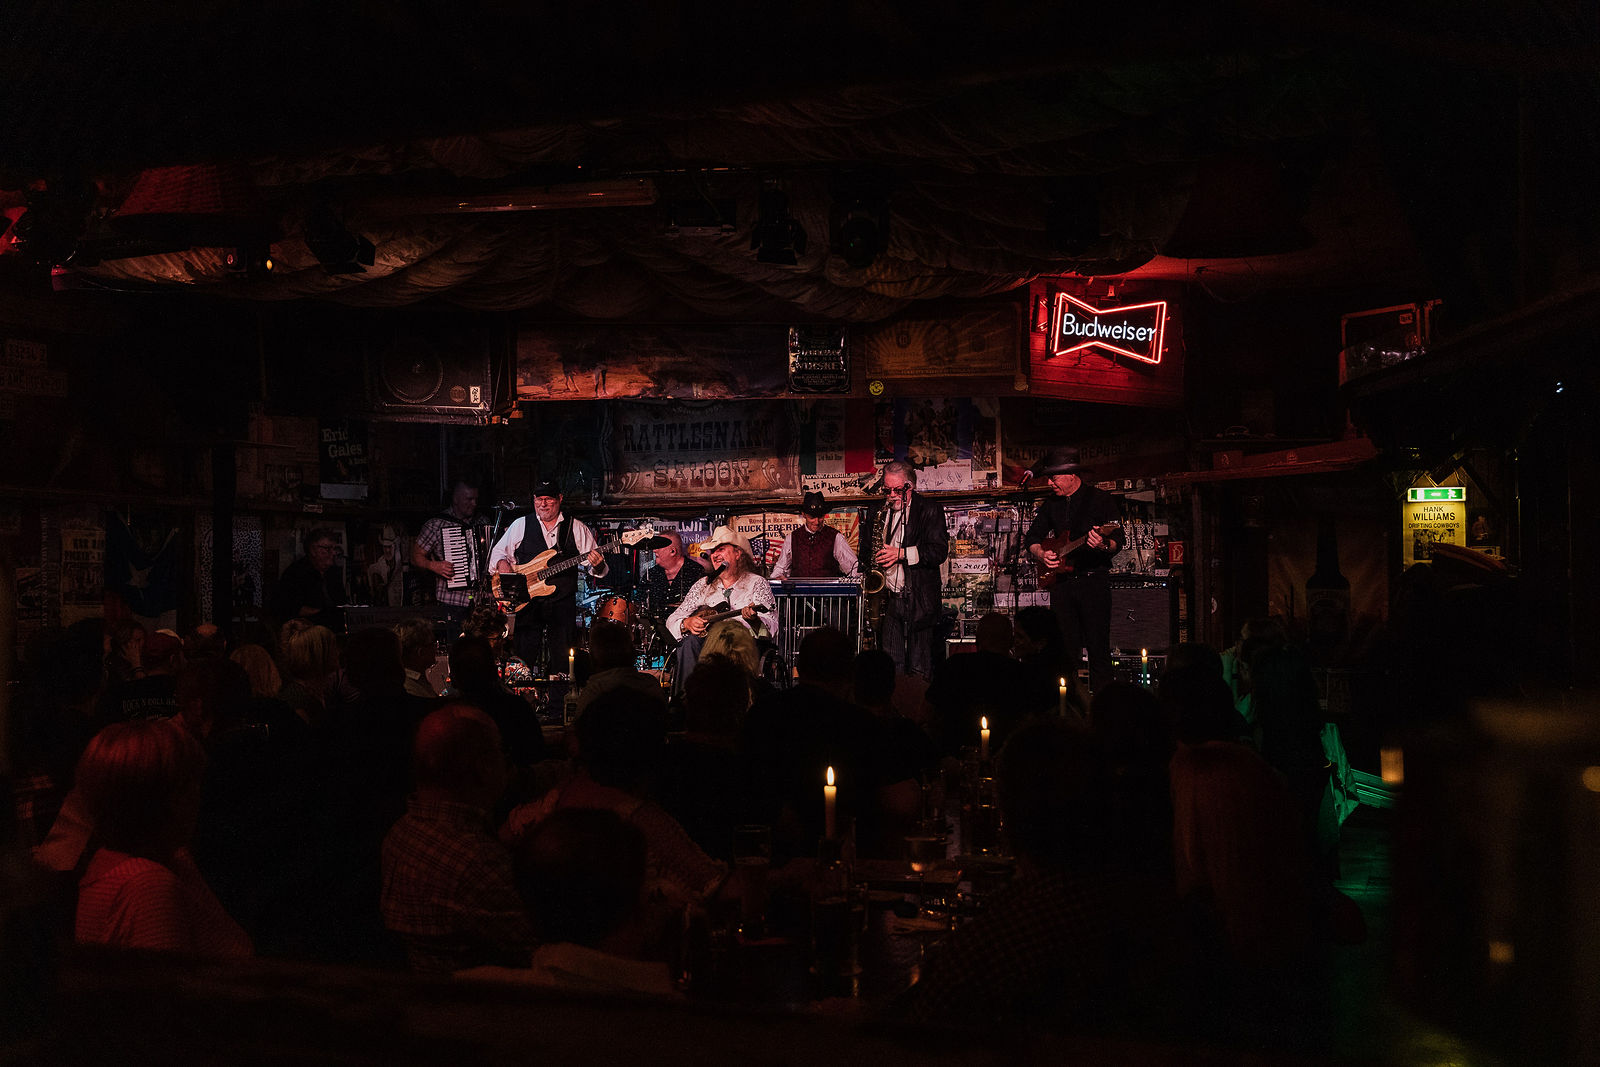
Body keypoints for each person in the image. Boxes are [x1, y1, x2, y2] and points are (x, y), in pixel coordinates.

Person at [72, 718, 254, 959]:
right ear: (161, 800)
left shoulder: (123, 862)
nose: (198, 796)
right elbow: (170, 983)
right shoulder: (147, 884)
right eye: (189, 784)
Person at [380, 704, 535, 973]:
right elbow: (544, 953)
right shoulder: (479, 862)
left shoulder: (402, 831)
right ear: (482, 768)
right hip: (485, 996)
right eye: (502, 752)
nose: (508, 763)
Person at [1024, 448, 1124, 695]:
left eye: (1054, 478)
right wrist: (1042, 554)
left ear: (1071, 475)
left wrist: (1102, 544)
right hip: (1063, 584)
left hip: (1093, 583)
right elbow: (1032, 538)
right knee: (1065, 650)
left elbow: (1118, 542)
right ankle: (1067, 703)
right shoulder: (1051, 504)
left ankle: (1102, 704)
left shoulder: (1100, 499)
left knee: (1098, 648)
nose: (1050, 483)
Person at [489, 481, 608, 674]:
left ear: (559, 499)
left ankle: (558, 694)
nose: (543, 504)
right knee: (522, 658)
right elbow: (497, 554)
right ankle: (521, 691)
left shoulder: (575, 527)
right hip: (528, 603)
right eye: (539, 499)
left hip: (562, 604)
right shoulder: (521, 524)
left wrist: (598, 564)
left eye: (548, 499)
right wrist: (503, 565)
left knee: (562, 661)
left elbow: (598, 568)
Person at [665, 526, 778, 693]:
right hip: (706, 646)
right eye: (713, 551)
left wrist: (754, 620)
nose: (715, 555)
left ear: (737, 553)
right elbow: (672, 620)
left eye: (721, 549)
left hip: (741, 646)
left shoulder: (756, 583)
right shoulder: (703, 585)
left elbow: (771, 625)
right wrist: (686, 623)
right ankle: (686, 698)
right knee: (689, 644)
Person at [869, 460, 949, 678]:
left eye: (897, 490)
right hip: (889, 598)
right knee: (891, 665)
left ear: (910, 487)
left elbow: (938, 552)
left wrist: (902, 554)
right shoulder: (880, 510)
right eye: (887, 490)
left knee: (919, 668)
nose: (891, 495)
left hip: (919, 599)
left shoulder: (929, 509)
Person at [411, 477, 491, 620]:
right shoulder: (436, 524)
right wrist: (433, 565)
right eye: (469, 499)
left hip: (481, 600)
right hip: (452, 601)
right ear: (455, 499)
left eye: (476, 499)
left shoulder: (483, 522)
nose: (474, 504)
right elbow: (415, 556)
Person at [271, 528, 349, 633]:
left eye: (334, 548)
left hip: (334, 630)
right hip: (306, 632)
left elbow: (341, 602)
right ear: (313, 550)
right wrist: (323, 612)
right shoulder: (296, 573)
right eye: (328, 548)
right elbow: (291, 608)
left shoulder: (333, 573)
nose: (334, 553)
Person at [769, 492, 858, 580]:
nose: (817, 522)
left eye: (820, 517)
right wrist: (778, 577)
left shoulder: (836, 537)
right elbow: (780, 568)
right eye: (812, 517)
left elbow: (854, 568)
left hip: (827, 589)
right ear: (803, 514)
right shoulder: (792, 538)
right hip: (799, 589)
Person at [641, 530, 705, 619]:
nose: (655, 550)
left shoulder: (696, 572)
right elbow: (640, 603)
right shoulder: (651, 574)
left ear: (673, 551)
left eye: (659, 546)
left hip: (686, 626)